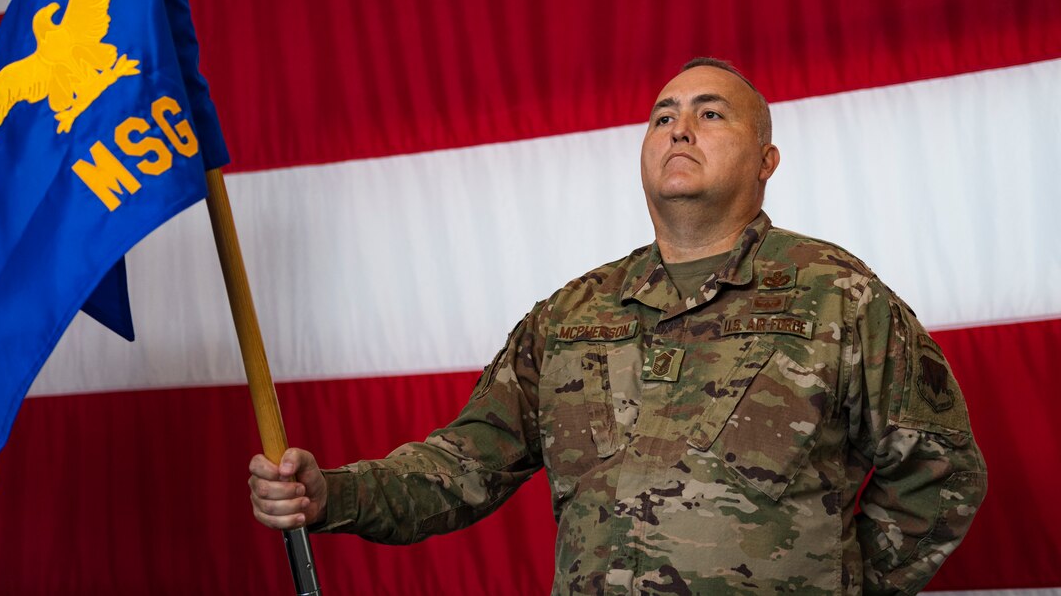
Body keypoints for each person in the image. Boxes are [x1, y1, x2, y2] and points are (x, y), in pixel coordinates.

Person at [249, 58, 987, 594]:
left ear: (767, 160)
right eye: (663, 115)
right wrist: (331, 494)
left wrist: (847, 586)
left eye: (710, 112)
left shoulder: (837, 296)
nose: (680, 127)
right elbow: (463, 465)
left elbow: (942, 472)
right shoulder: (571, 316)